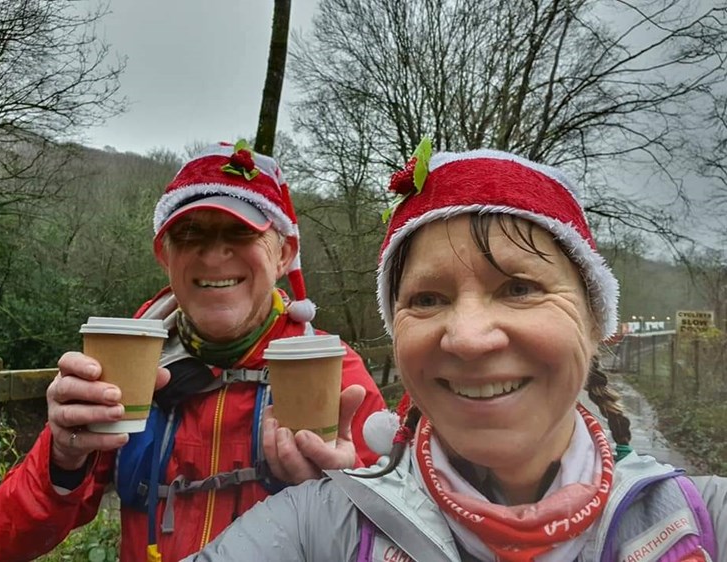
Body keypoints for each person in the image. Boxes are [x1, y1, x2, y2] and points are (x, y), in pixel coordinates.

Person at [180, 143, 727, 562]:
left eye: (518, 288)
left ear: (594, 321)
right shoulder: (319, 528)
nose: (466, 337)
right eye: (428, 298)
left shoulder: (702, 522)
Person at [0, 140, 387, 562]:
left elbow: (394, 540)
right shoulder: (123, 367)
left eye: (241, 231)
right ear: (165, 254)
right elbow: (7, 544)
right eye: (190, 232)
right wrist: (63, 457)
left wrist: (339, 496)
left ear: (283, 253)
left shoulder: (334, 375)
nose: (214, 254)